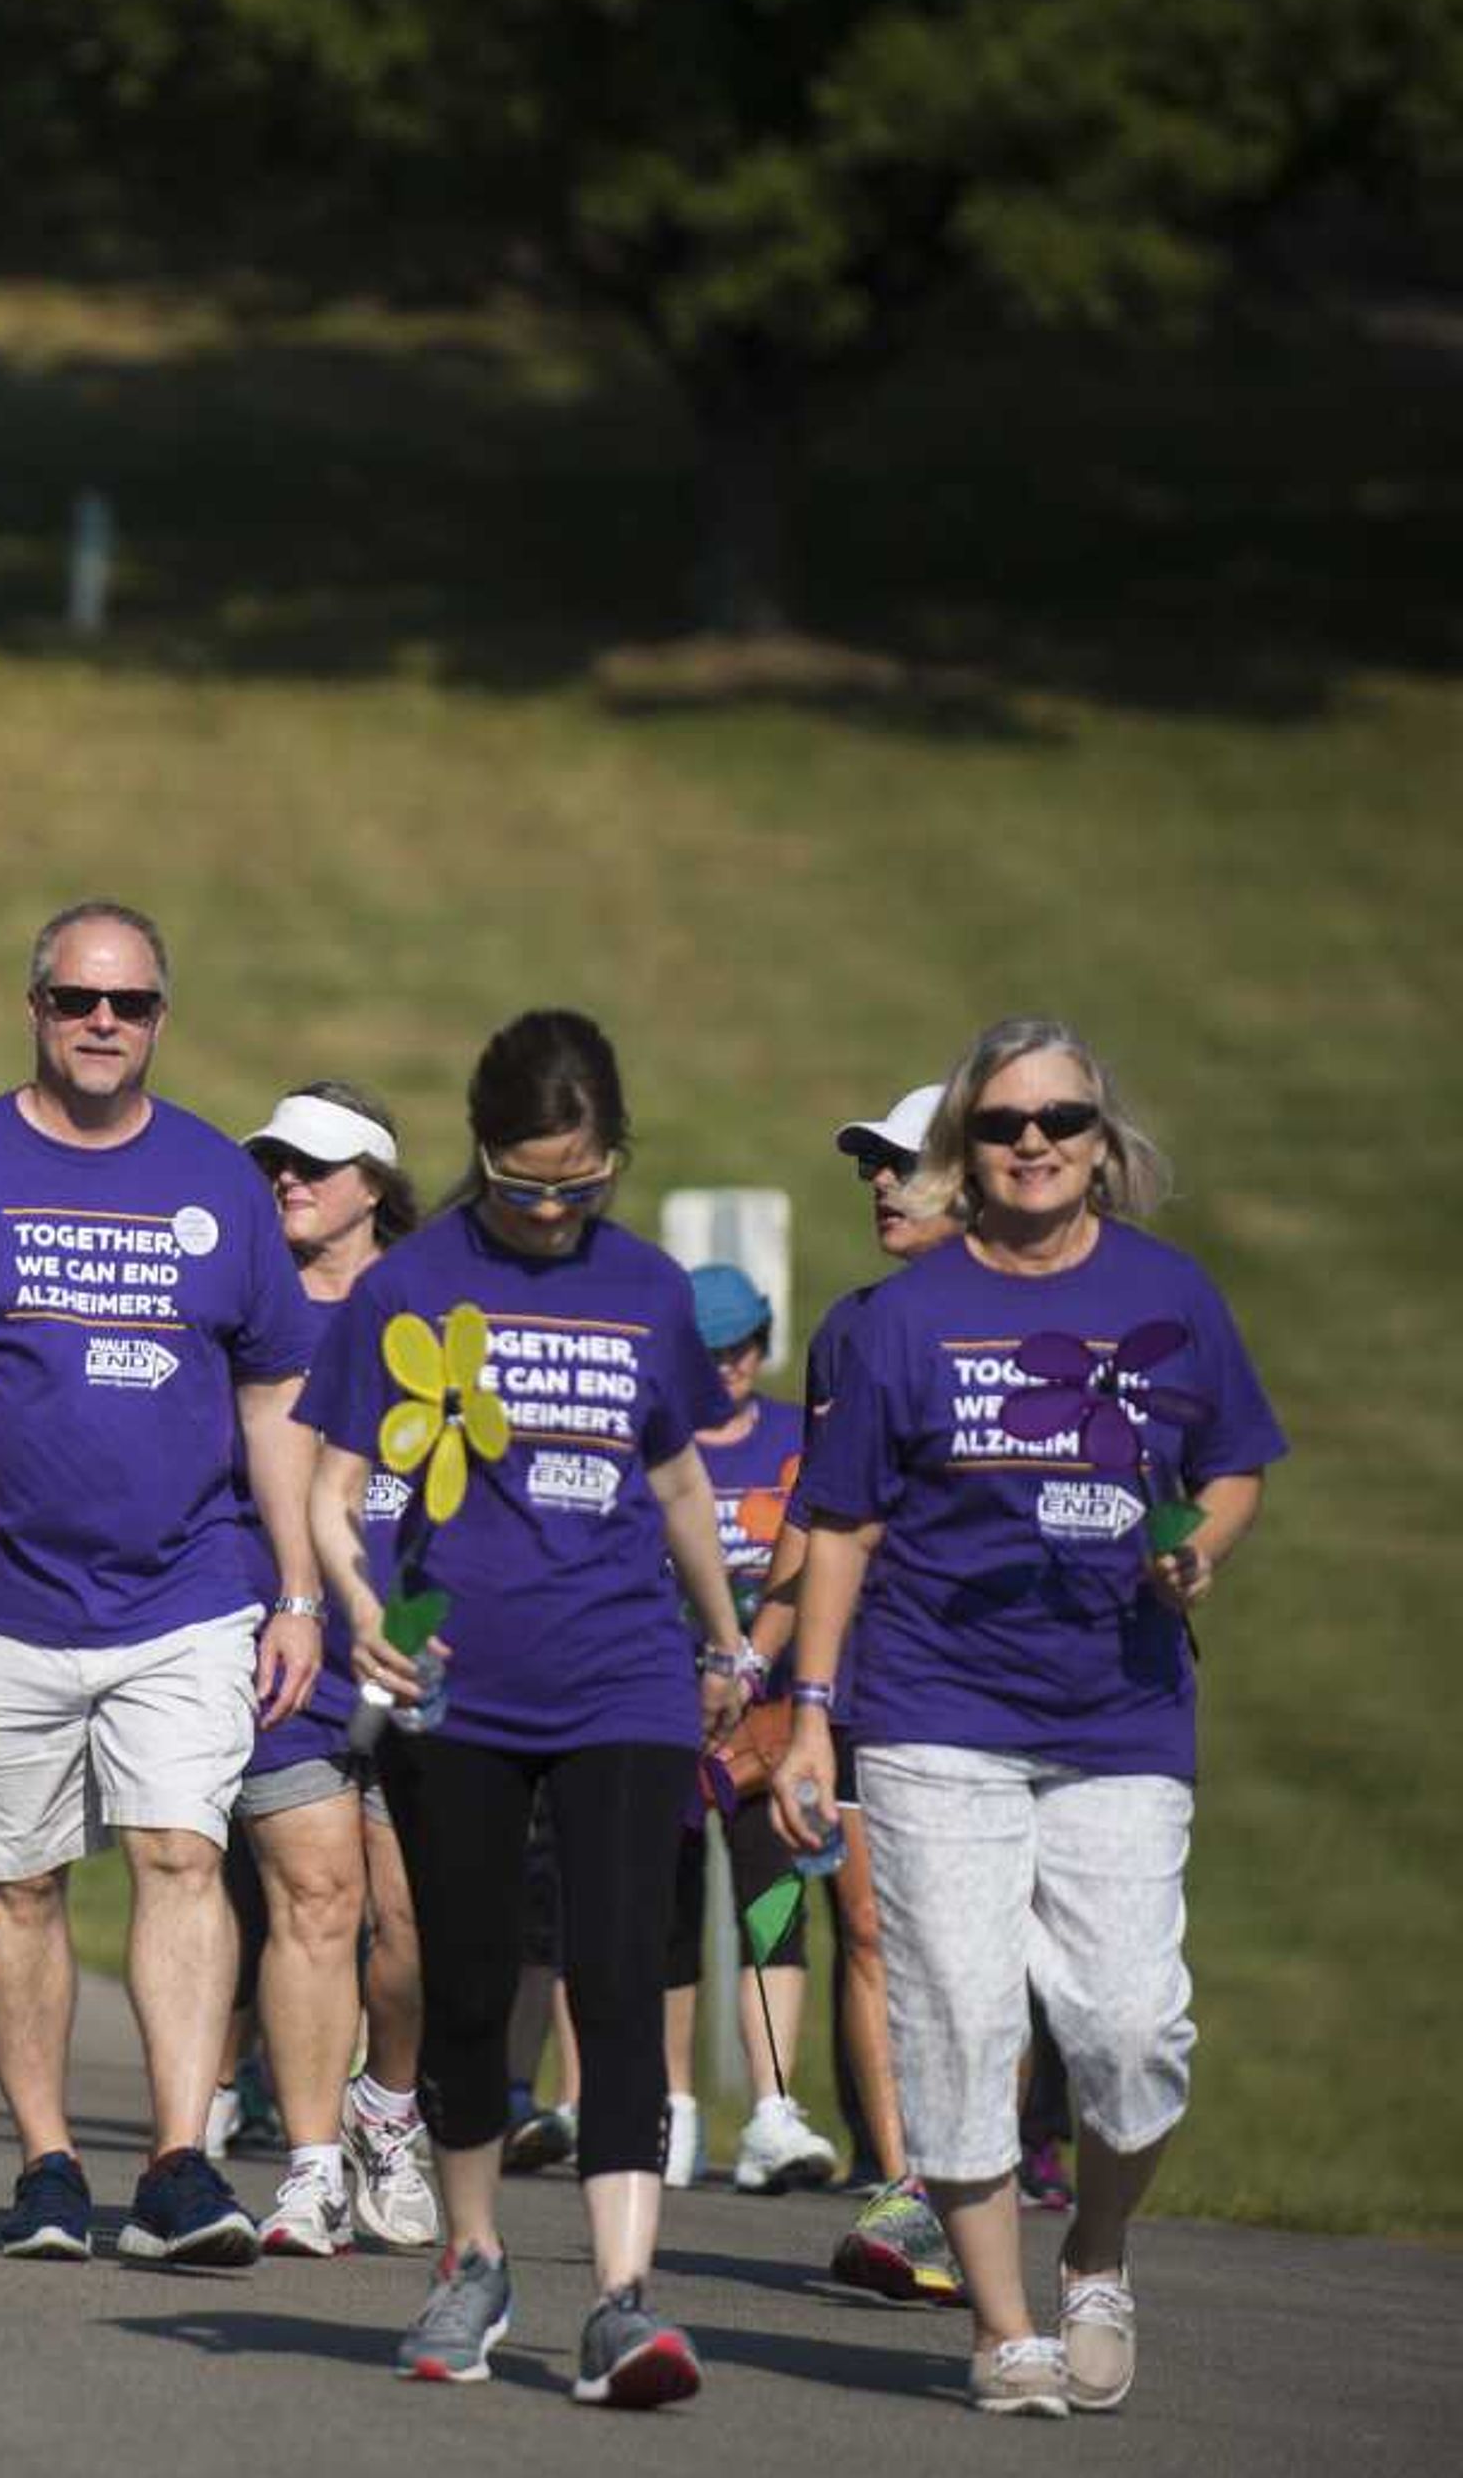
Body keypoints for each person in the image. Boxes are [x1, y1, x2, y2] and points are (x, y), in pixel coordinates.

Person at [774, 1020, 1280, 2419]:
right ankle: (1004, 2330)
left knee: (1127, 2030)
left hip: (1121, 1712)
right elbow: (842, 1524)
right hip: (937, 1712)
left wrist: (1206, 1548)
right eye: (1003, 1125)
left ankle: (1097, 2255)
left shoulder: (1170, 1295)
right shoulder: (899, 1324)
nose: (1034, 1142)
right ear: (966, 1153)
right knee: (958, 2014)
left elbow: (1232, 1462)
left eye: (1060, 1118)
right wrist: (812, 1713)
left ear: (1101, 1141)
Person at [0, 903, 323, 2270]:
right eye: (73, 999)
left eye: (126, 1002)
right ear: (34, 1009)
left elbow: (277, 1387)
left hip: (184, 1593)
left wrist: (296, 1588)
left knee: (183, 1851)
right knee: (15, 1887)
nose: (100, 1021)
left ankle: (178, 2159)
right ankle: (51, 2160)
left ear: (162, 1018)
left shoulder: (219, 1180)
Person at [297, 1009, 755, 2407]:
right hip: (461, 1687)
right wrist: (362, 1614)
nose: (553, 1211)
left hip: (625, 1674)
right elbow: (327, 1486)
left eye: (580, 1182)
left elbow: (678, 1480)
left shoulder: (652, 1289)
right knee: (473, 1978)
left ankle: (622, 2301)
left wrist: (727, 1642)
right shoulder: (412, 1284)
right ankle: (473, 2260)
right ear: (481, 1153)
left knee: (619, 1973)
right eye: (524, 1182)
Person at [222, 1084, 438, 2256]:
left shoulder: (437, 1306)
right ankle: (308, 2164)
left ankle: (385, 2112)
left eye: (313, 1162)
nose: (289, 1178)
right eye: (276, 1161)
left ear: (375, 1185)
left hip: (418, 1640)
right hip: (282, 1645)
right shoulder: (247, 1313)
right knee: (316, 1900)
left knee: (415, 1924)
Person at [766, 1079, 963, 2302]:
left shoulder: (1052, 1323)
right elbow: (821, 1512)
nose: (882, 1183)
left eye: (904, 1162)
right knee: (875, 1933)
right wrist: (757, 1661)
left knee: (978, 1955)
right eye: (870, 1166)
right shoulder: (850, 1328)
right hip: (873, 1671)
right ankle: (912, 2198)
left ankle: (964, 2178)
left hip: (997, 1680)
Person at [668, 1259, 838, 2198]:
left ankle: (774, 2108)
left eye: (741, 1347)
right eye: (708, 1352)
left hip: (763, 1717)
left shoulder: (789, 1439)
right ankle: (673, 2109)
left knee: (772, 1897)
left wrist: (752, 1666)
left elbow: (814, 1563)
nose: (728, 1366)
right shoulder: (654, 1444)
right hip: (661, 1703)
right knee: (662, 1908)